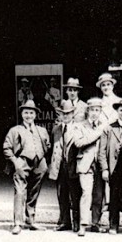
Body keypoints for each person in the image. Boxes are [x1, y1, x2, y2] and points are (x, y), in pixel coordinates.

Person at [3, 99, 51, 235]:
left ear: (35, 115)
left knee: (33, 192)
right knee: (20, 192)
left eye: (31, 113)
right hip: (22, 163)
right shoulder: (15, 130)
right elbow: (6, 148)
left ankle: (31, 221)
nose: (28, 115)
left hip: (39, 164)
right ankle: (18, 223)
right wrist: (15, 161)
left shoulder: (41, 130)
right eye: (26, 113)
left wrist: (43, 161)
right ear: (22, 114)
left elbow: (48, 145)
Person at [70, 96, 109, 236]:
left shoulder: (105, 126)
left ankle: (95, 223)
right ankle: (83, 225)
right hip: (85, 164)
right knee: (86, 194)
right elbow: (78, 143)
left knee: (98, 196)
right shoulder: (79, 126)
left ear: (100, 112)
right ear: (88, 111)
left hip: (100, 164)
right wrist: (97, 134)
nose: (94, 113)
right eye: (92, 110)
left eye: (97, 110)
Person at [99, 96, 122, 235]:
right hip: (115, 166)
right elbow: (102, 151)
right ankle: (113, 225)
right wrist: (105, 169)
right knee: (114, 196)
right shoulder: (109, 128)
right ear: (117, 111)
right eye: (121, 110)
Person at [48, 99, 77, 231]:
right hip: (60, 166)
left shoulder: (78, 128)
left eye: (68, 113)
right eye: (63, 113)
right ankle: (65, 222)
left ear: (73, 114)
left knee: (75, 195)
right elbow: (52, 148)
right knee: (62, 195)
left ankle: (76, 222)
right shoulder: (56, 129)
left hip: (73, 165)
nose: (65, 116)